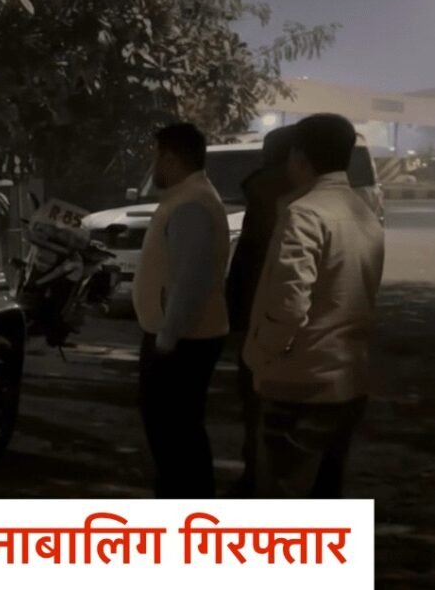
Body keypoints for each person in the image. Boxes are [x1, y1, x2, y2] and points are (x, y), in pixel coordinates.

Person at [245, 113, 385, 498]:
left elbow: (289, 304)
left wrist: (262, 354)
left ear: (299, 157)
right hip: (348, 379)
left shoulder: (305, 213)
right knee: (326, 496)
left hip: (300, 382)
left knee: (283, 500)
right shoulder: (363, 212)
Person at [134, 122, 230, 498]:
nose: (152, 166)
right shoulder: (188, 197)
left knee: (175, 439)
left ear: (171, 158)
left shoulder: (192, 204)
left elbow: (191, 278)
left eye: (155, 157)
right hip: (182, 337)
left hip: (182, 342)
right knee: (176, 435)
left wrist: (167, 338)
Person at [223, 125, 296, 497]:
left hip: (264, 318)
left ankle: (257, 483)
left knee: (260, 406)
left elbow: (251, 260)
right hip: (283, 320)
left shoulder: (267, 193)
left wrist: (238, 317)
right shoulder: (299, 192)